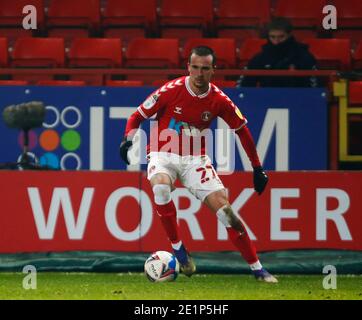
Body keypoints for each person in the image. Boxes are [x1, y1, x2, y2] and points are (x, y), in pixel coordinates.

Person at [120, 46, 278, 283]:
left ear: (213, 70)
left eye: (205, 68)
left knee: (227, 213)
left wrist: (257, 168)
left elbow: (242, 131)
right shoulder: (170, 90)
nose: (199, 73)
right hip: (162, 152)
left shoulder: (219, 100)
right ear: (188, 67)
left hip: (195, 159)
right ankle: (179, 250)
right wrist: (128, 139)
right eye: (195, 67)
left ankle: (258, 269)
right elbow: (137, 117)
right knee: (161, 187)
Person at [237, 17, 318, 88]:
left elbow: (316, 86)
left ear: (289, 35)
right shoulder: (261, 57)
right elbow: (243, 85)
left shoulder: (303, 56)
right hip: (267, 100)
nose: (276, 42)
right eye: (272, 37)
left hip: (299, 100)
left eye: (281, 37)